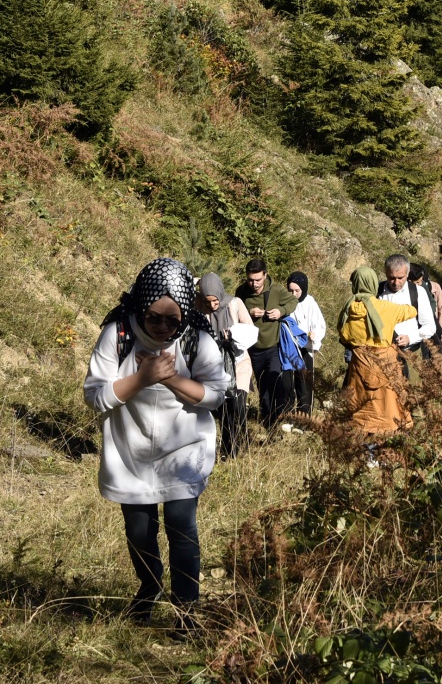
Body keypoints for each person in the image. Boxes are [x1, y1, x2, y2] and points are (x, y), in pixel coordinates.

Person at [83, 258, 227, 622]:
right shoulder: (118, 333)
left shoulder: (196, 337)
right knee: (139, 531)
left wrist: (171, 379)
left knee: (182, 526)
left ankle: (186, 609)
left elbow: (216, 395)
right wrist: (142, 377)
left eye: (172, 320)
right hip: (128, 453)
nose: (163, 327)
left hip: (184, 449)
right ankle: (149, 588)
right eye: (154, 318)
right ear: (140, 307)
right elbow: (95, 395)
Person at [339, 266, 416, 433]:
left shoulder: (348, 309)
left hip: (359, 366)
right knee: (388, 410)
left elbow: (344, 336)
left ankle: (364, 448)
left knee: (361, 410)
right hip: (385, 367)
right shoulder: (387, 308)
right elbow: (411, 311)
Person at [195, 273, 257, 458]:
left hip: (238, 363)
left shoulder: (235, 303)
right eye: (208, 301)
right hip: (214, 365)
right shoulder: (198, 306)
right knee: (221, 409)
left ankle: (237, 446)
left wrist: (233, 336)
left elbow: (251, 330)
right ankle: (227, 449)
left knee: (236, 405)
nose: (213, 306)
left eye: (215, 301)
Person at [240, 258, 300, 428]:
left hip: (273, 347)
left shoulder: (277, 290)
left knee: (275, 384)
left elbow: (293, 301)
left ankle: (277, 420)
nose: (254, 284)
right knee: (263, 388)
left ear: (265, 275)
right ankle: (269, 423)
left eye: (258, 280)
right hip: (254, 349)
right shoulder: (242, 292)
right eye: (250, 279)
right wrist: (248, 312)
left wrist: (280, 311)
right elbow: (235, 311)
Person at [380, 254, 442, 373]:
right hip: (384, 356)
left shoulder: (418, 292)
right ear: (386, 273)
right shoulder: (378, 292)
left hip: (411, 354)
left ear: (407, 274)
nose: (396, 283)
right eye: (392, 278)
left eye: (400, 278)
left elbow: (430, 327)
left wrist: (410, 338)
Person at [287, 271, 325, 416]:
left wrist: (314, 334)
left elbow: (319, 323)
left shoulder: (310, 303)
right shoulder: (286, 302)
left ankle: (305, 412)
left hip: (305, 347)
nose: (294, 294)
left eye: (297, 290)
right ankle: (290, 411)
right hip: (290, 347)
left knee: (304, 380)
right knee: (291, 379)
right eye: (291, 290)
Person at [409, 264, 442, 374]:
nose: (420, 284)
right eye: (417, 282)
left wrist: (441, 328)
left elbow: (438, 308)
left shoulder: (423, 290)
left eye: (421, 282)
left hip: (429, 331)